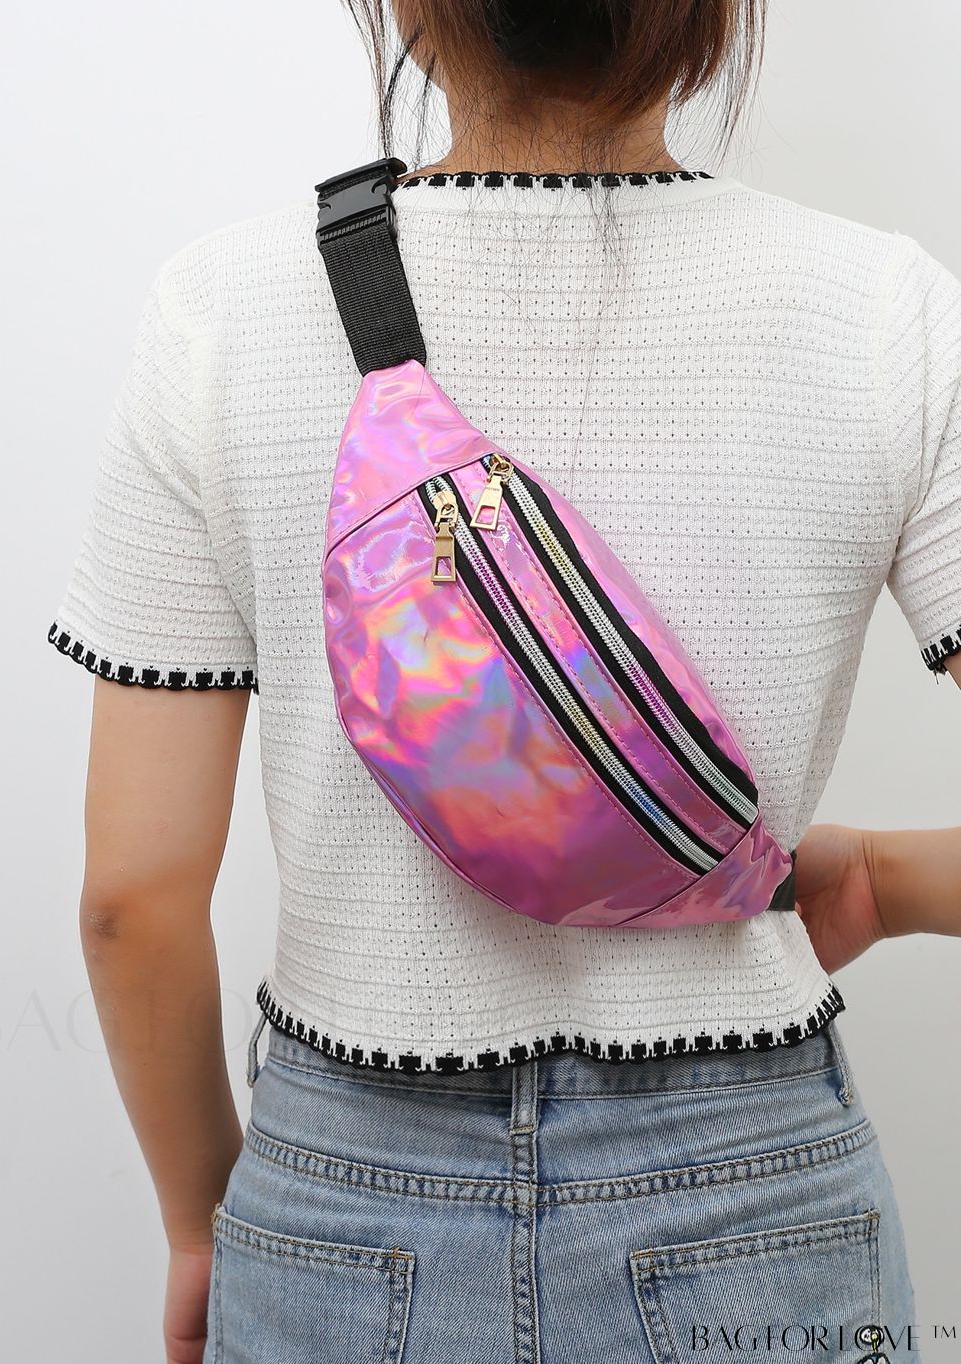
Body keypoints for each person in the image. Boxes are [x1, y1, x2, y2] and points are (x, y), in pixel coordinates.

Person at [47, 2, 961, 1360]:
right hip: (755, 1205)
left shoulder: (222, 309)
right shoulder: (884, 312)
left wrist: (201, 1225)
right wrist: (884, 883)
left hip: (340, 1202)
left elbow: (134, 901)